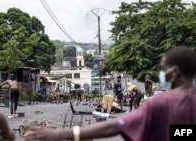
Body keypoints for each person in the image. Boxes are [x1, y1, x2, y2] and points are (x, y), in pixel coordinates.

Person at [26, 46, 196, 141]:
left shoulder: (161, 103)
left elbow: (116, 125)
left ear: (174, 72)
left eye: (163, 68)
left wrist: (59, 133)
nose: (161, 72)